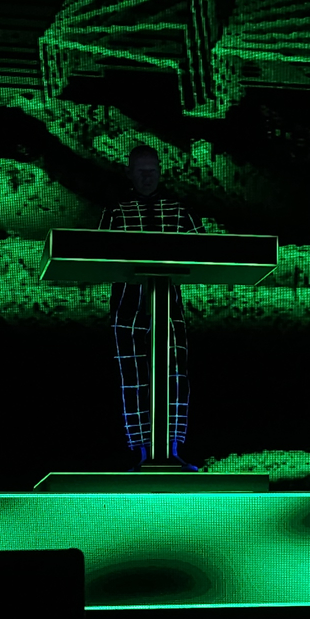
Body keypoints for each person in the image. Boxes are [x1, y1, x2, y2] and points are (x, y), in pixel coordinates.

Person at [101, 145, 201, 471]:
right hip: (127, 308)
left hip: (169, 308)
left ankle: (172, 450)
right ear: (129, 173)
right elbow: (97, 254)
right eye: (141, 171)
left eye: (153, 171)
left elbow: (207, 251)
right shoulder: (116, 211)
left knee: (175, 377)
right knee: (132, 378)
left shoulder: (180, 210)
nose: (147, 177)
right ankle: (141, 453)